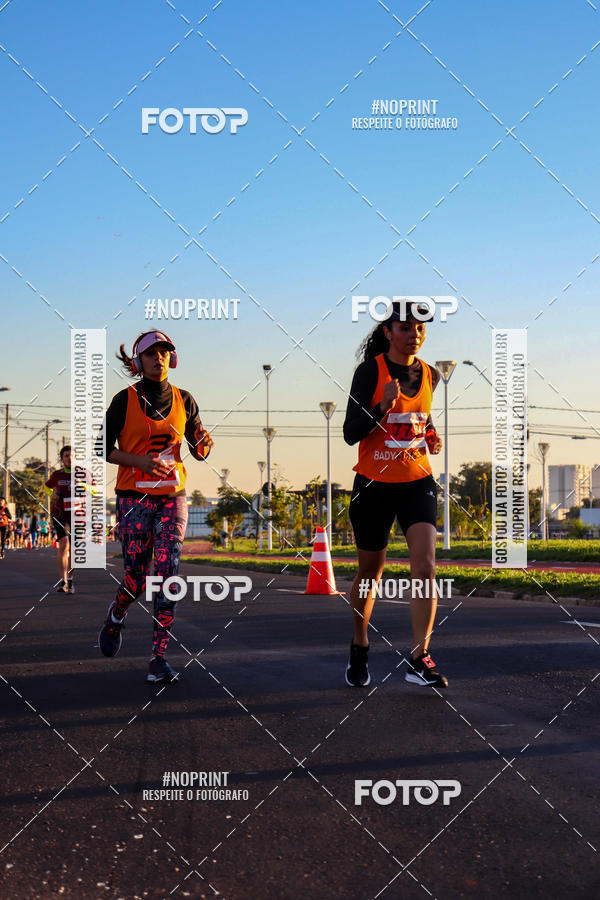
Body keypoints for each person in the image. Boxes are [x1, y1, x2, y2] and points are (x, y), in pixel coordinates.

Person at [98, 330, 213, 683]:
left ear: (172, 359)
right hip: (133, 498)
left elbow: (198, 444)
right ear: (138, 361)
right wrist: (141, 463)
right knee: (136, 579)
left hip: (172, 497)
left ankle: (158, 659)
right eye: (151, 353)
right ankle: (116, 615)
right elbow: (102, 449)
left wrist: (204, 444)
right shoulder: (124, 400)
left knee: (166, 575)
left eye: (165, 352)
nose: (159, 358)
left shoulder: (185, 399)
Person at [343, 300, 448, 689]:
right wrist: (381, 405)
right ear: (388, 332)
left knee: (425, 566)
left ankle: (419, 657)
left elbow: (422, 417)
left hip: (416, 480)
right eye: (405, 328)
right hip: (373, 484)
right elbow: (351, 432)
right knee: (371, 572)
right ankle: (360, 643)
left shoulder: (431, 375)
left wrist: (431, 434)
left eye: (420, 328)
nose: (414, 334)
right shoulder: (369, 372)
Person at [44, 447, 75, 592]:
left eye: (72, 455)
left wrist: (84, 486)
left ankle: (70, 579)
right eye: (66, 456)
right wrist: (52, 494)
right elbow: (46, 488)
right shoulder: (57, 475)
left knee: (74, 550)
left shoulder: (83, 474)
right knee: (64, 543)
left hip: (77, 516)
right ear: (62, 459)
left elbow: (94, 489)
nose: (70, 458)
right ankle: (63, 581)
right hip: (59, 515)